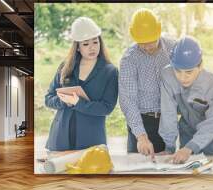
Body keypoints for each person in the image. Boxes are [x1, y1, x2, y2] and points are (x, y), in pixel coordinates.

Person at [45, 17, 118, 151]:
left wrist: (78, 103)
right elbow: (48, 99)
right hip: (60, 138)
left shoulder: (110, 71)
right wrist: (65, 101)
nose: (92, 48)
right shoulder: (65, 67)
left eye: (95, 42)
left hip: (91, 139)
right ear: (77, 47)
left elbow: (107, 107)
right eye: (85, 44)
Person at [159, 36, 213, 164]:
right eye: (178, 71)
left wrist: (190, 148)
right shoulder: (167, 76)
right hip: (187, 130)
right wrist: (169, 147)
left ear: (200, 66)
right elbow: (168, 113)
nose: (182, 78)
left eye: (188, 72)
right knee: (188, 171)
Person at [119, 8, 176, 159]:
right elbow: (128, 100)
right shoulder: (129, 59)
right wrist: (141, 136)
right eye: (142, 43)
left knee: (167, 172)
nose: (147, 46)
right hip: (142, 122)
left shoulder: (173, 49)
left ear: (159, 31)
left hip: (168, 120)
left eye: (151, 41)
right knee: (137, 173)